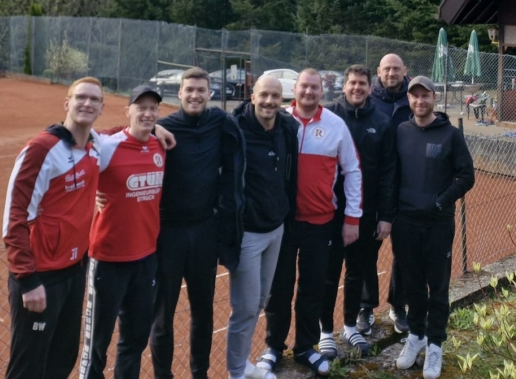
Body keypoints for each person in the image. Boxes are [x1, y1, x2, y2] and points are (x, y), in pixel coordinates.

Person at [259, 68, 363, 377]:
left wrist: (352, 218)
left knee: (312, 288)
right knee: (279, 288)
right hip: (283, 222)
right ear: (295, 89)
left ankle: (305, 346)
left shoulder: (335, 125)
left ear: (322, 91)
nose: (308, 92)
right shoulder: (279, 120)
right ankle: (274, 347)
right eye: (304, 86)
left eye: (314, 87)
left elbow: (353, 171)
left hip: (320, 223)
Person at [2, 77, 104, 379]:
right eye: (80, 97)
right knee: (28, 367)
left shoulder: (96, 145)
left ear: (101, 108)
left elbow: (127, 133)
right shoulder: (41, 149)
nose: (87, 103)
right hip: (40, 275)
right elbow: (15, 216)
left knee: (62, 359)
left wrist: (158, 128)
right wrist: (27, 279)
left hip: (74, 270)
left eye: (94, 99)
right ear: (67, 103)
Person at [151, 67, 243, 379]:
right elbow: (124, 135)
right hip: (168, 234)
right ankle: (163, 375)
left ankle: (199, 373)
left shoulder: (219, 121)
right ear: (179, 93)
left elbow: (256, 114)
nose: (195, 95)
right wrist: (153, 127)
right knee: (162, 315)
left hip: (204, 232)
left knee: (203, 311)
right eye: (189, 90)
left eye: (201, 90)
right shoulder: (164, 127)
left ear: (210, 94)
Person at [78, 84, 167, 379]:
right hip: (108, 259)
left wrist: (159, 129)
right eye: (141, 108)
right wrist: (91, 193)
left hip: (146, 259)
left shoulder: (160, 145)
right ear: (128, 111)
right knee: (97, 342)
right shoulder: (106, 145)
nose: (147, 113)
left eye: (153, 108)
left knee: (135, 339)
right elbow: (75, 159)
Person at [392, 76, 475, 379]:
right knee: (412, 284)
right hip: (405, 223)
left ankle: (436, 343)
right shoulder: (401, 131)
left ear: (434, 98)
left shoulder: (451, 135)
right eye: (414, 96)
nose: (420, 101)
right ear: (409, 100)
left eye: (425, 96)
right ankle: (416, 336)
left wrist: (440, 202)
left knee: (437, 287)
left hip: (438, 225)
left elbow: (467, 176)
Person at [223, 76, 299, 379]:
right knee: (244, 308)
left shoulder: (287, 128)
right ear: (252, 96)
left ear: (282, 100)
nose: (269, 101)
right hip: (247, 234)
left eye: (275, 96)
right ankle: (236, 372)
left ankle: (243, 364)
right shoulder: (234, 128)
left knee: (259, 303)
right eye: (264, 95)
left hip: (276, 229)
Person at [319, 64, 396, 358]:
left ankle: (350, 326)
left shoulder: (382, 122)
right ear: (345, 85)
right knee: (329, 273)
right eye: (352, 83)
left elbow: (388, 172)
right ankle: (326, 332)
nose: (357, 88)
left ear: (369, 87)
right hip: (330, 212)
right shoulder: (328, 116)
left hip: (366, 212)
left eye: (362, 83)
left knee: (356, 272)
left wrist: (385, 215)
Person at [370, 53, 413, 334]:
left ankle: (398, 305)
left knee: (405, 253)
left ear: (404, 70)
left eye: (396, 69)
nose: (391, 73)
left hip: (407, 190)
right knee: (366, 253)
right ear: (379, 71)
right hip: (374, 191)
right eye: (387, 69)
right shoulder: (367, 100)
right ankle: (365, 308)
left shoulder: (414, 98)